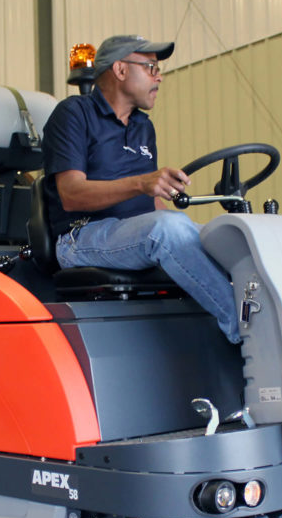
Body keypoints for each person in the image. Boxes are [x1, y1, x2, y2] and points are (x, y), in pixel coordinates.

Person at [40, 35, 241, 344]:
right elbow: (71, 194)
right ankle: (243, 331)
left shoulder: (143, 127)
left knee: (230, 236)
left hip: (136, 232)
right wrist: (143, 184)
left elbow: (153, 207)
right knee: (168, 229)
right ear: (120, 70)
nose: (159, 77)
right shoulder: (74, 114)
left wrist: (194, 230)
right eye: (150, 67)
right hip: (81, 236)